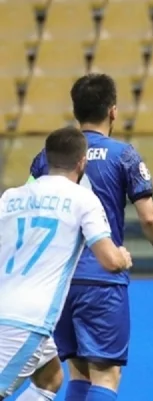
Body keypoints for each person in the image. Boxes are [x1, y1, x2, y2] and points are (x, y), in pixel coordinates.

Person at [28, 74, 153, 401]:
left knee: (78, 372)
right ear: (113, 111)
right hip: (102, 277)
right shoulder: (123, 155)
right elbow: (149, 217)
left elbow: (31, 203)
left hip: (59, 281)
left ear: (76, 111)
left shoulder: (48, 157)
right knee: (106, 374)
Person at [0, 127, 133, 401]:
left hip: (7, 305)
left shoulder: (11, 197)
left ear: (47, 159)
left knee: (50, 378)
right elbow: (109, 260)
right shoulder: (83, 199)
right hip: (27, 320)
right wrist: (123, 256)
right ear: (82, 162)